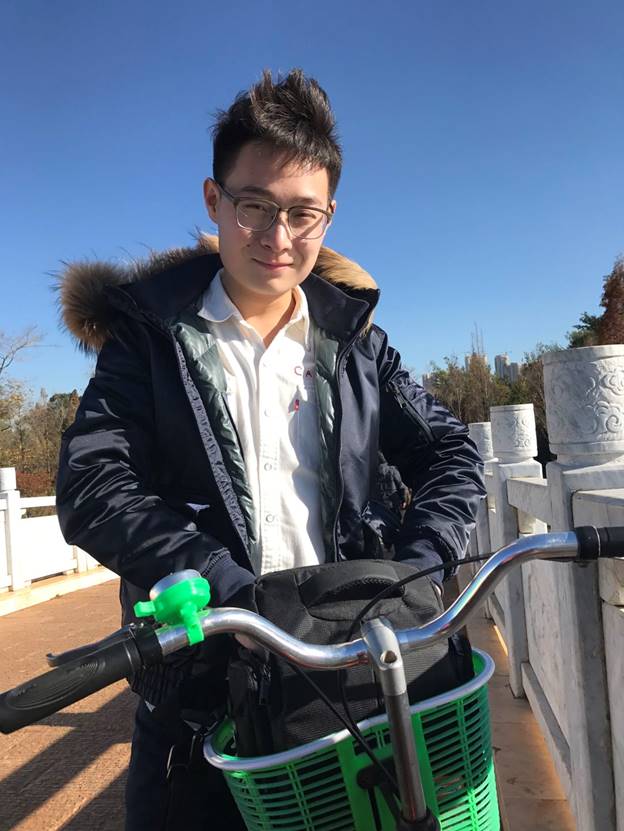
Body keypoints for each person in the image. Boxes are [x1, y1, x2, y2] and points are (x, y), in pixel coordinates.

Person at [55, 69, 485, 830]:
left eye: (302, 213)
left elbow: (451, 452)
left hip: (348, 682)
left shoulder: (357, 344)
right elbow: (91, 480)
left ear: (329, 215)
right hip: (201, 695)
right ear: (214, 200)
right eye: (254, 206)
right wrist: (218, 579)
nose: (278, 237)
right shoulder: (149, 340)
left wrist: (418, 567)